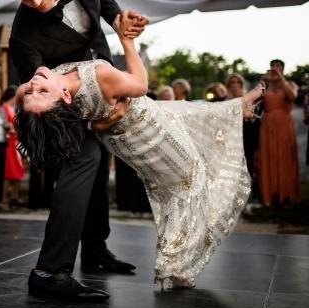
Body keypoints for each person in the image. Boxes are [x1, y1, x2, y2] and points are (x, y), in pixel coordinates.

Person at [14, 16, 265, 290]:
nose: (34, 83)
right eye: (39, 90)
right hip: (147, 131)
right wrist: (127, 41)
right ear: (64, 96)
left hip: (144, 118)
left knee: (189, 113)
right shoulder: (100, 77)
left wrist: (88, 123)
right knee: (187, 182)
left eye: (32, 92)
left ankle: (240, 106)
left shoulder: (46, 88)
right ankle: (176, 262)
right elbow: (141, 85)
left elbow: (26, 100)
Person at [0, 0, 148, 301]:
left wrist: (122, 21)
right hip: (66, 105)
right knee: (85, 155)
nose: (35, 2)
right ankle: (50, 271)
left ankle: (95, 250)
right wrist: (97, 123)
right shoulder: (24, 35)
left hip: (104, 75)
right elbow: (43, 102)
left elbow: (102, 0)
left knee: (99, 155)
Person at [259, 59, 301, 205]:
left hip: (284, 124)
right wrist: (263, 82)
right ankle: (270, 194)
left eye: (279, 66)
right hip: (268, 124)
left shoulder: (290, 85)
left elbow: (292, 96)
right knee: (269, 156)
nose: (275, 69)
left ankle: (286, 193)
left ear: (283, 69)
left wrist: (281, 79)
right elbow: (256, 102)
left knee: (284, 156)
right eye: (273, 66)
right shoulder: (266, 86)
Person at [226, 73, 261, 202]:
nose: (235, 85)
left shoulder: (248, 100)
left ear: (242, 84)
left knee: (247, 169)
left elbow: (252, 119)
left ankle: (245, 202)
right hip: (228, 140)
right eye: (232, 82)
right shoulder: (223, 100)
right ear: (228, 85)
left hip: (246, 139)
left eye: (238, 82)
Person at [1, 86, 25, 208]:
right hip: (9, 143)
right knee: (8, 171)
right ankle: (4, 199)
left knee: (19, 170)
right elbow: (2, 124)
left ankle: (14, 197)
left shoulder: (14, 108)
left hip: (16, 142)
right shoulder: (4, 108)